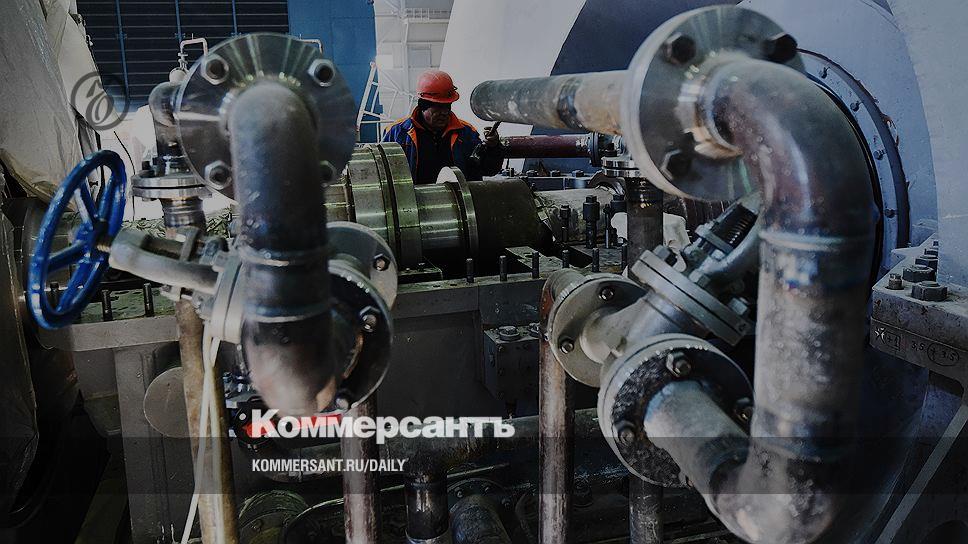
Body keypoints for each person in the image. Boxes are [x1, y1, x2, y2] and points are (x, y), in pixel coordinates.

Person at [383, 69, 504, 183]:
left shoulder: (466, 133)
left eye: (447, 106)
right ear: (423, 106)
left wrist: (493, 147)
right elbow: (382, 174)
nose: (444, 112)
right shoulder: (397, 133)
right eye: (438, 107)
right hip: (413, 199)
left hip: (460, 198)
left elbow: (489, 170)